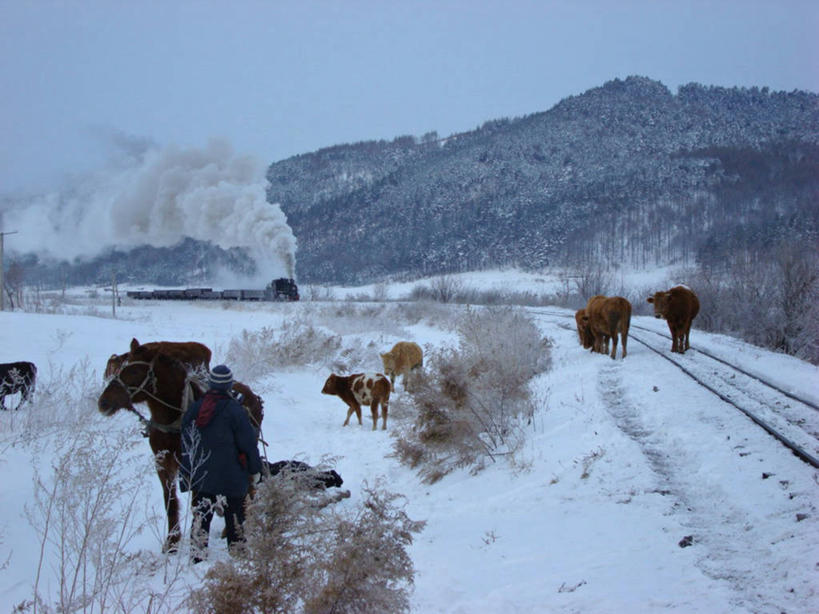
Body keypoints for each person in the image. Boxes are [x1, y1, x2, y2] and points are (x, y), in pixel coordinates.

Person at [179, 364, 262, 563]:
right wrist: (255, 469)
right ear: (228, 386)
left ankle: (197, 557)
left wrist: (186, 472)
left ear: (210, 384)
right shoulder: (236, 411)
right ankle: (238, 556)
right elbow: (248, 443)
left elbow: (186, 442)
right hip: (232, 476)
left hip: (203, 476)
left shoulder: (195, 409)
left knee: (201, 515)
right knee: (235, 517)